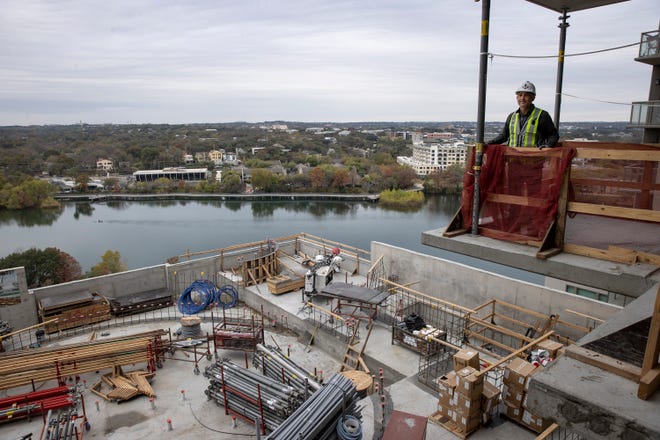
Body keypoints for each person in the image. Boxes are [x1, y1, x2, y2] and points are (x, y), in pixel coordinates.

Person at [488, 81, 559, 149]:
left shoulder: (542, 115)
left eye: (526, 95)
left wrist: (548, 146)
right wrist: (488, 143)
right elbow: (503, 136)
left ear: (533, 98)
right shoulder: (512, 116)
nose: (522, 98)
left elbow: (553, 135)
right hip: (512, 158)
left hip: (535, 159)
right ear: (517, 98)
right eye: (520, 95)